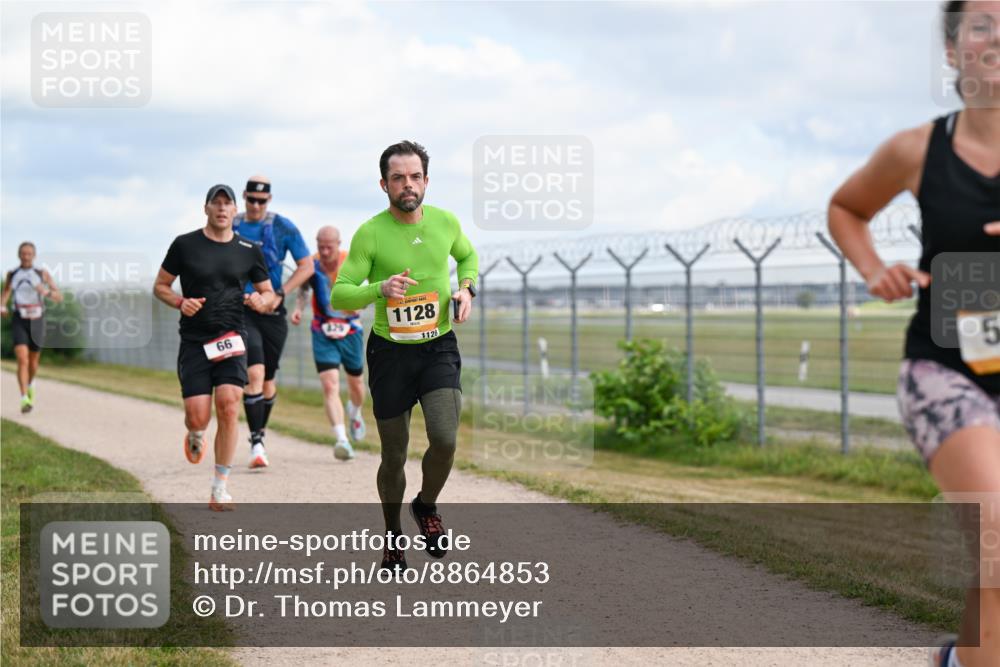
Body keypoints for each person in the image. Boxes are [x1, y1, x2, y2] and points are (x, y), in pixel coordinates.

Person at [828, 3, 999, 665]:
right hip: (946, 370)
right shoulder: (917, 150)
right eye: (981, 24)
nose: (998, 36)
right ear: (954, 52)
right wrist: (875, 269)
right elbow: (847, 206)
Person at [332, 141, 478, 571]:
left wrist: (466, 288)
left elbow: (467, 256)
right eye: (398, 178)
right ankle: (393, 533)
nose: (407, 185)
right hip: (389, 353)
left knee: (446, 438)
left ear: (426, 181)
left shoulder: (446, 222)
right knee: (393, 455)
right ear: (384, 184)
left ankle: (426, 505)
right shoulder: (371, 232)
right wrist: (379, 288)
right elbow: (341, 294)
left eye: (415, 176)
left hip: (438, 346)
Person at [154, 184, 278, 511]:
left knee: (229, 403)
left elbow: (269, 294)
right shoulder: (185, 245)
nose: (222, 209)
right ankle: (195, 434)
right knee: (198, 416)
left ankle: (220, 487)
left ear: (234, 211)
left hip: (232, 336)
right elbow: (160, 286)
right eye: (216, 203)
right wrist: (180, 302)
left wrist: (260, 300)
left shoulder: (249, 249)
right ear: (206, 209)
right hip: (195, 341)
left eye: (228, 204)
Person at [233, 175, 314, 469]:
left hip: (273, 309)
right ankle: (256, 441)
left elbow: (306, 266)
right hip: (240, 310)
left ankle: (260, 433)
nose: (255, 205)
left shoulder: (282, 227)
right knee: (253, 373)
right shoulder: (232, 223)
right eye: (251, 199)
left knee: (268, 378)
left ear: (269, 200)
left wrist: (281, 293)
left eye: (261, 201)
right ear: (244, 196)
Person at [291, 226, 367, 461]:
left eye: (329, 247)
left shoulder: (351, 262)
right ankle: (342, 440)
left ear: (338, 244)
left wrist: (359, 304)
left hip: (351, 329)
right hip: (322, 329)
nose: (324, 251)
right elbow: (303, 290)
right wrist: (298, 309)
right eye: (320, 246)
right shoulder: (311, 264)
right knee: (330, 385)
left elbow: (365, 294)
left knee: (356, 385)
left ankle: (355, 412)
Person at [1, 242, 62, 413]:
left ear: (34, 256)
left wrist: (46, 292)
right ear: (18, 255)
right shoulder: (12, 274)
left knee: (33, 362)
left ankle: (31, 383)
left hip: (37, 320)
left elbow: (59, 297)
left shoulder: (41, 274)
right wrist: (2, 306)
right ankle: (23, 399)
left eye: (29, 254)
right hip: (19, 318)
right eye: (23, 253)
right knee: (22, 359)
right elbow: (6, 292)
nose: (26, 256)